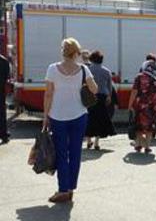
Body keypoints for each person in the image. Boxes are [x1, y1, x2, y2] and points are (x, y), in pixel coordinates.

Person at [42, 38, 98, 203]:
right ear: (76, 53)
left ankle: (62, 190)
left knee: (61, 154)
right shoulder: (83, 70)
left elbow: (48, 94)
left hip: (57, 116)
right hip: (80, 115)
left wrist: (45, 116)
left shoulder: (52, 69)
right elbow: (95, 89)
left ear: (63, 51)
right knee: (75, 153)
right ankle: (71, 188)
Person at [128, 60, 156, 153]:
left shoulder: (139, 77)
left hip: (140, 105)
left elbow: (134, 91)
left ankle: (138, 144)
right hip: (153, 106)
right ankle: (147, 146)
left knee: (139, 125)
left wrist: (130, 104)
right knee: (150, 127)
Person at [85, 51, 116, 150]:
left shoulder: (87, 70)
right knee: (100, 119)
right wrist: (109, 97)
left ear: (92, 59)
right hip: (102, 96)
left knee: (89, 118)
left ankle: (89, 140)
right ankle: (97, 143)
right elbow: (110, 86)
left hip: (90, 96)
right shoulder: (107, 71)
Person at [0, 54, 10, 144]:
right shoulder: (4, 61)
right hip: (1, 92)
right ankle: (3, 135)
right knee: (2, 114)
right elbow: (7, 77)